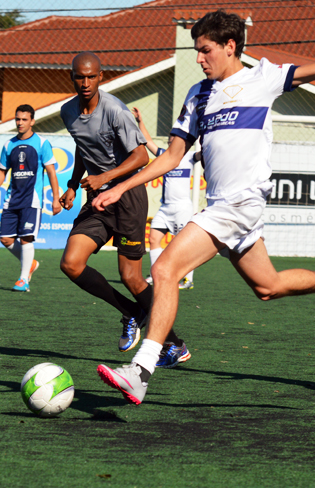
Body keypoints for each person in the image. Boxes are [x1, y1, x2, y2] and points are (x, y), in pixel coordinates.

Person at [92, 10, 315, 405]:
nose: (199, 59)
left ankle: (141, 371)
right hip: (224, 207)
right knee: (268, 286)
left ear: (230, 46)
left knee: (165, 268)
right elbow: (171, 157)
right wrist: (122, 187)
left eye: (205, 50)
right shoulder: (198, 95)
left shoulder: (263, 77)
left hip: (241, 204)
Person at [59, 52, 190, 368]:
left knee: (131, 277)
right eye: (80, 77)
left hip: (128, 197)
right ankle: (131, 311)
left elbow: (141, 157)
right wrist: (74, 184)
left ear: (101, 76)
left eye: (91, 76)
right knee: (71, 264)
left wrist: (105, 176)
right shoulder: (67, 112)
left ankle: (175, 344)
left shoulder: (116, 111)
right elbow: (83, 146)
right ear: (72, 77)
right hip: (98, 200)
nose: (86, 82)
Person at [0, 104, 62, 292]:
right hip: (11, 199)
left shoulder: (42, 144)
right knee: (5, 239)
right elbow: (2, 171)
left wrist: (55, 198)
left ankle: (23, 280)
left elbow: (52, 173)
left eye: (24, 120)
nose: (20, 123)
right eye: (17, 119)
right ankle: (31, 264)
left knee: (26, 238)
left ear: (32, 121)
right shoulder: (8, 145)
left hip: (32, 200)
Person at [132, 106, 199, 290]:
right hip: (165, 208)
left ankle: (187, 278)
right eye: (171, 135)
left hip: (181, 208)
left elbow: (205, 153)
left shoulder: (190, 156)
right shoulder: (164, 155)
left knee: (183, 245)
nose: (172, 138)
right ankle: (156, 274)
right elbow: (146, 141)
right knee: (154, 238)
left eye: (175, 136)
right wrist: (140, 121)